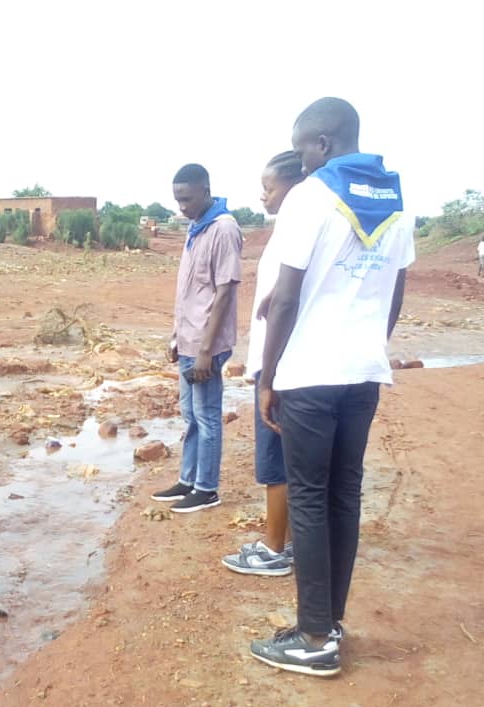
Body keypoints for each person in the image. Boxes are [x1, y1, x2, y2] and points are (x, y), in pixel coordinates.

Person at [251, 98, 414, 677]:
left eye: (302, 150)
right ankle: (330, 621)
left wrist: (269, 378)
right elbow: (395, 293)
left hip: (310, 378)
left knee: (311, 498)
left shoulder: (312, 197)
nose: (302, 161)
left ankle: (315, 638)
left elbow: (286, 299)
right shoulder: (396, 200)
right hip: (362, 374)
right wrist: (370, 341)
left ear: (320, 144)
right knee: (345, 495)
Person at [222, 152, 306, 577]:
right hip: (277, 364)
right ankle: (286, 543)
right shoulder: (290, 230)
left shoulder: (298, 228)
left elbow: (285, 304)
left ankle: (275, 549)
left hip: (280, 368)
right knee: (286, 462)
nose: (263, 195)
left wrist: (267, 375)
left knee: (276, 462)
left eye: (269, 187)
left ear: (293, 185)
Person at [150, 163, 242, 513]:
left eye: (187, 199)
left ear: (206, 190)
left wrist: (205, 350)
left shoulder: (223, 229)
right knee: (190, 414)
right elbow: (190, 290)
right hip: (188, 340)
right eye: (177, 200)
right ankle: (188, 480)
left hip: (207, 344)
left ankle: (207, 488)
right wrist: (176, 336)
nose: (181, 207)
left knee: (207, 416)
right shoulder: (196, 227)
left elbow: (224, 292)